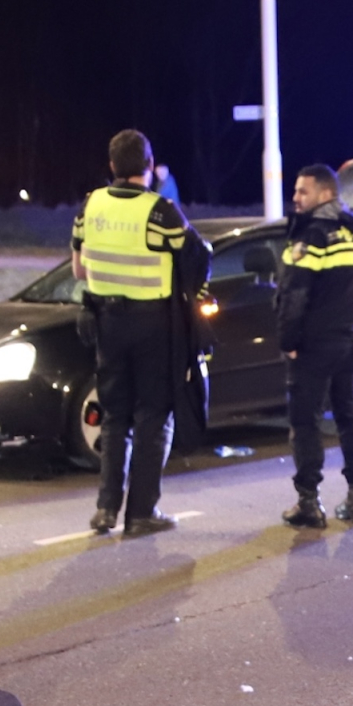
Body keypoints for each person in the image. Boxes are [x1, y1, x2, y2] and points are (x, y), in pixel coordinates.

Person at [72, 128, 212, 539]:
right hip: (154, 325)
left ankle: (105, 509)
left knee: (115, 417)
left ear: (112, 166)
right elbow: (198, 258)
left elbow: (79, 269)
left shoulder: (89, 206)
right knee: (154, 414)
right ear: (149, 167)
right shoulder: (161, 212)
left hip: (106, 323)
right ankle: (142, 513)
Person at [277, 163, 353, 528]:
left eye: (302, 191)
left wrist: (288, 341)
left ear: (325, 194)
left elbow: (293, 297)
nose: (295, 198)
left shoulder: (311, 239)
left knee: (305, 423)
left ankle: (309, 502)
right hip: (351, 342)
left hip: (314, 346)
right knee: (350, 418)